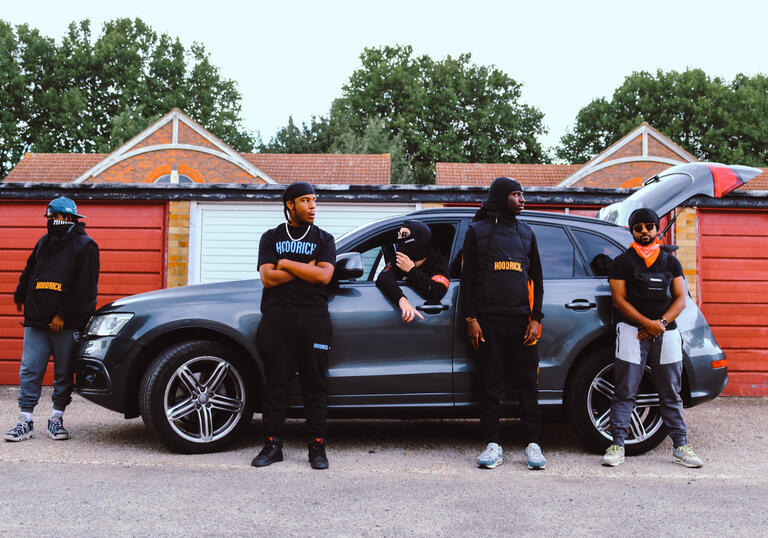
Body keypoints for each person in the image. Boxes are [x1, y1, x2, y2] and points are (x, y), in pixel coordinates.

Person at [601, 208, 703, 468]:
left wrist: (661, 324)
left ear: (657, 229)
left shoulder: (671, 262)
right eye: (639, 227)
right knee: (625, 389)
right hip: (631, 332)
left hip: (667, 333)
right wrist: (647, 324)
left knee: (671, 391)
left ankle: (681, 446)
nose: (644, 231)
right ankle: (617, 446)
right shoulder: (622, 262)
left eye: (649, 226)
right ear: (632, 231)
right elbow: (619, 300)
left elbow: (681, 297)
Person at [461, 177, 546, 470]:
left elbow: (537, 278)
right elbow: (468, 280)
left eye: (522, 194)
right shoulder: (478, 230)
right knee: (490, 384)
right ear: (500, 197)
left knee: (527, 384)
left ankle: (533, 444)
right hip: (488, 322)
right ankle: (493, 444)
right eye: (516, 194)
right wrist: (471, 319)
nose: (523, 199)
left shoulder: (526, 232)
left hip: (521, 322)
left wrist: (536, 319)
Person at [251, 182, 336, 470]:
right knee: (276, 383)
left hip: (314, 321)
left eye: (314, 200)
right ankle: (273, 445)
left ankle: (317, 447)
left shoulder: (324, 238)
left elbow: (324, 276)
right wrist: (303, 266)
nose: (312, 206)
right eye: (305, 201)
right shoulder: (270, 237)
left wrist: (284, 263)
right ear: (290, 204)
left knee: (315, 383)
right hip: (276, 320)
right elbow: (268, 279)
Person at [6, 197, 99, 442]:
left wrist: (63, 315)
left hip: (65, 324)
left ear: (66, 218)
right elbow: (30, 269)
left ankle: (56, 418)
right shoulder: (44, 242)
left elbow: (85, 288)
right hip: (37, 319)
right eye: (48, 216)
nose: (48, 221)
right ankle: (25, 419)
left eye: (52, 216)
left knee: (63, 372)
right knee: (30, 369)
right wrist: (20, 294)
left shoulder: (85, 245)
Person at [375, 220, 450, 322]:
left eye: (404, 234)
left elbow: (436, 291)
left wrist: (411, 270)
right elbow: (383, 278)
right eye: (399, 234)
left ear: (418, 238)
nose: (399, 238)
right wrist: (401, 299)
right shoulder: (399, 259)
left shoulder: (436, 261)